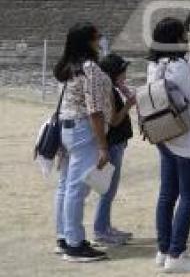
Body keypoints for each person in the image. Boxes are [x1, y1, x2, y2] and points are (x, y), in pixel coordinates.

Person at [148, 18, 190, 273]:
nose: (186, 38)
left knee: (167, 194)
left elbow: (176, 89)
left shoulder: (155, 64)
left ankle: (164, 249)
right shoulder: (177, 66)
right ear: (175, 38)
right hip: (183, 136)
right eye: (183, 35)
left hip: (163, 133)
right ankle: (177, 253)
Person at [53, 22, 112, 262]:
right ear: (88, 41)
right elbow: (94, 110)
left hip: (67, 127)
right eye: (97, 37)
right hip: (83, 129)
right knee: (77, 189)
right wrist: (102, 145)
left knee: (66, 186)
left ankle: (65, 236)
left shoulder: (66, 67)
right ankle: (75, 244)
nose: (100, 40)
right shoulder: (90, 69)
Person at [93, 53, 136, 246]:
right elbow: (114, 120)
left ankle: (105, 226)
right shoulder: (108, 89)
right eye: (123, 72)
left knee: (110, 188)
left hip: (117, 143)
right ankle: (101, 230)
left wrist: (123, 89)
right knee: (108, 189)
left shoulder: (112, 87)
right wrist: (128, 105)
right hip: (113, 144)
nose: (125, 74)